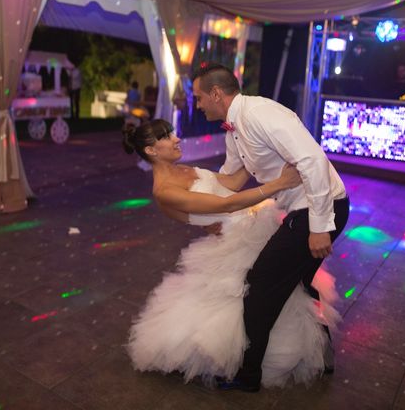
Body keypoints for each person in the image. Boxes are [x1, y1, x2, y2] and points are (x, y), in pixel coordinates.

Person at [124, 119, 342, 388]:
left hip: (254, 225)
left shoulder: (182, 170)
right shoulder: (165, 191)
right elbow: (226, 204)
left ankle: (314, 349)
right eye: (166, 136)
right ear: (151, 150)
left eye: (172, 133)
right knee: (265, 295)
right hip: (235, 241)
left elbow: (231, 182)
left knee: (289, 285)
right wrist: (279, 184)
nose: (176, 138)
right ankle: (254, 362)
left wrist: (243, 141)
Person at [192, 63, 350, 392]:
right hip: (303, 210)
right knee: (299, 284)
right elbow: (233, 178)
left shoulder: (262, 113)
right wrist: (190, 187)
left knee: (260, 281)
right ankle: (321, 351)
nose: (198, 104)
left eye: (199, 97)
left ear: (216, 93)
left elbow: (312, 160)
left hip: (319, 209)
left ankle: (248, 376)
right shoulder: (234, 130)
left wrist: (319, 226)